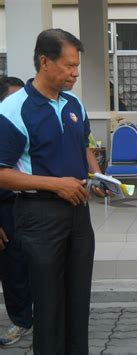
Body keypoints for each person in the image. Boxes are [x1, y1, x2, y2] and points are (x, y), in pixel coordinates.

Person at [0, 29, 107, 354]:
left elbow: (84, 144)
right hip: (39, 217)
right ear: (44, 62)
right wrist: (56, 184)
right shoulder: (13, 110)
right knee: (48, 306)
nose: (75, 72)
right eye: (69, 65)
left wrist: (99, 175)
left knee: (78, 302)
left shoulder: (74, 103)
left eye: (77, 65)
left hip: (78, 214)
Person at [0, 76, 33, 347]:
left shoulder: (27, 128)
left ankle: (45, 318)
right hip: (5, 210)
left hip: (32, 208)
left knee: (38, 267)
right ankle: (21, 320)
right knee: (13, 271)